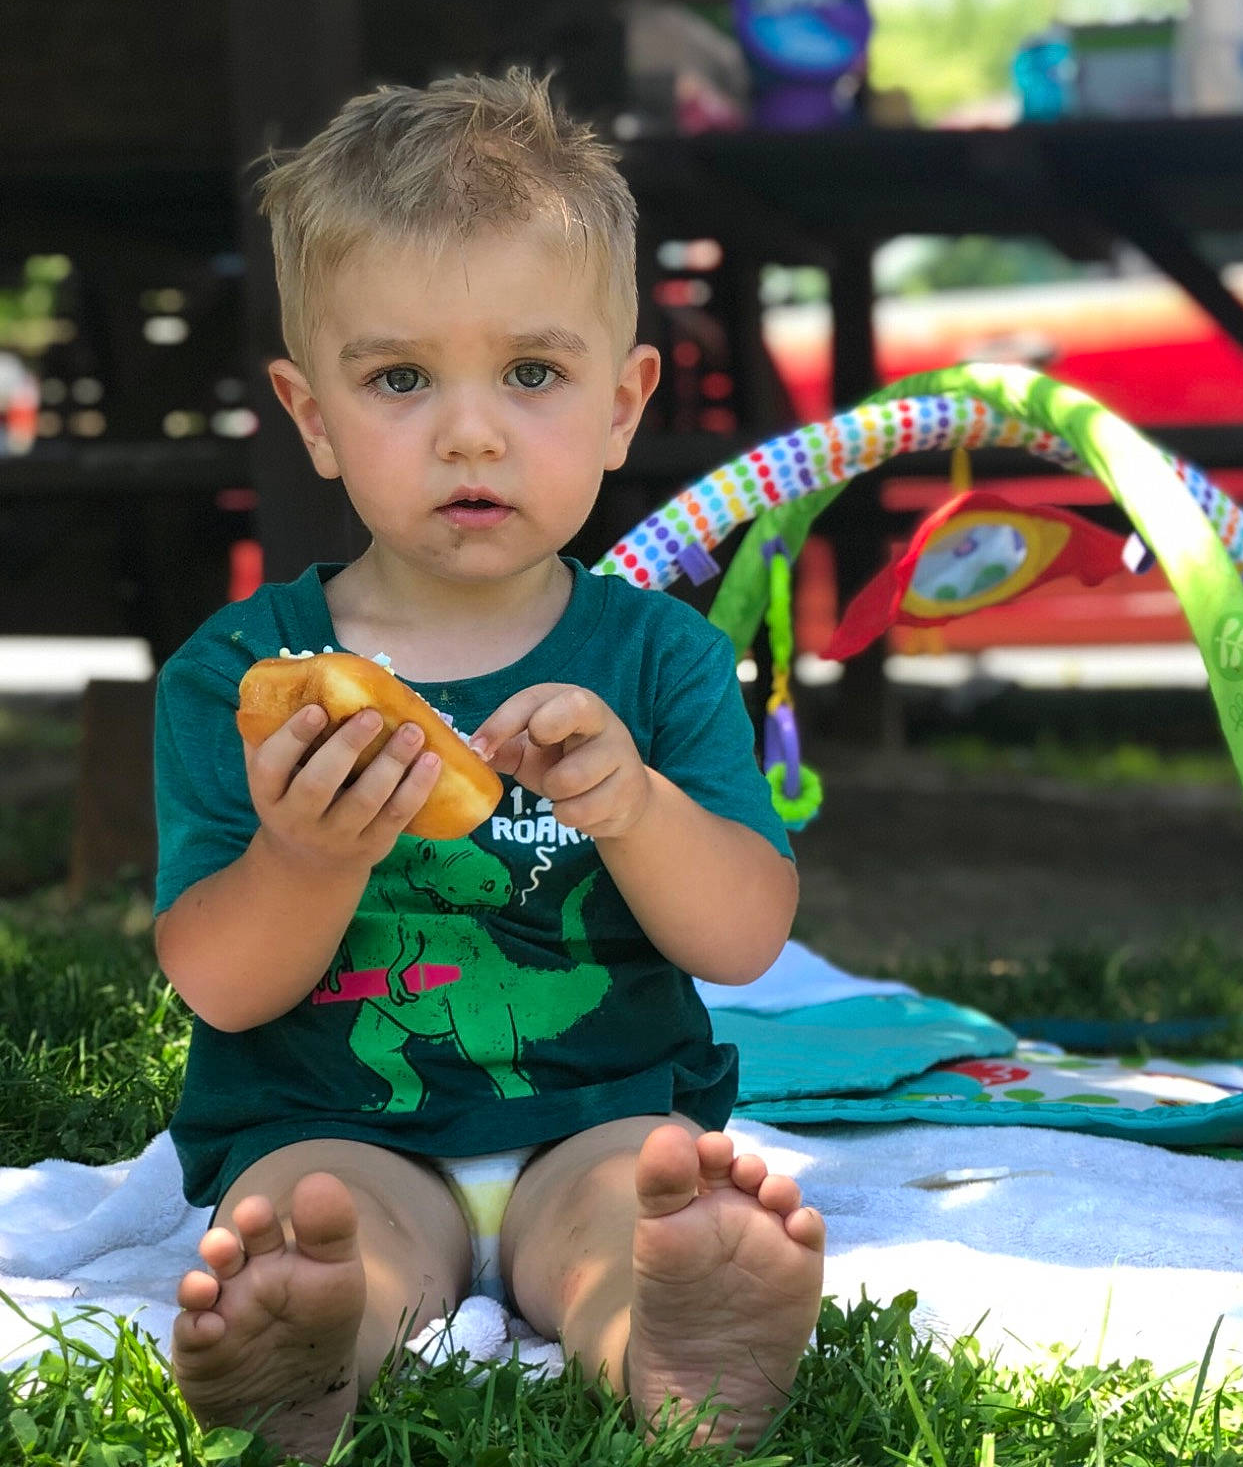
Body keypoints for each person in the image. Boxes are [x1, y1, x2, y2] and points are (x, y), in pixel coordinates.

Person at [151, 70, 821, 1458]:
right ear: (312, 411)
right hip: (332, 1116)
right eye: (400, 378)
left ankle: (668, 1341)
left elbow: (746, 934)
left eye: (532, 372)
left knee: (631, 1211)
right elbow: (215, 980)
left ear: (627, 401)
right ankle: (313, 1348)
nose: (471, 431)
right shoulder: (242, 678)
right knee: (323, 1225)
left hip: (597, 1109)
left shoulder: (662, 662)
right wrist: (308, 854)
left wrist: (632, 802)